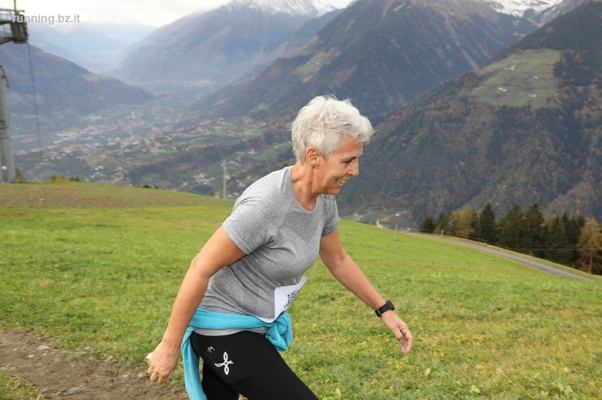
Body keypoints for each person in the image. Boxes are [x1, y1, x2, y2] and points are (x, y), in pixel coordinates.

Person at [147, 95, 413, 400]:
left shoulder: (323, 198)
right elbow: (200, 267)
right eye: (348, 161)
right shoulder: (265, 205)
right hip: (223, 328)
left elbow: (338, 259)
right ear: (314, 156)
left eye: (357, 159)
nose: (355, 171)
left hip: (254, 325)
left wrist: (384, 310)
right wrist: (169, 346)